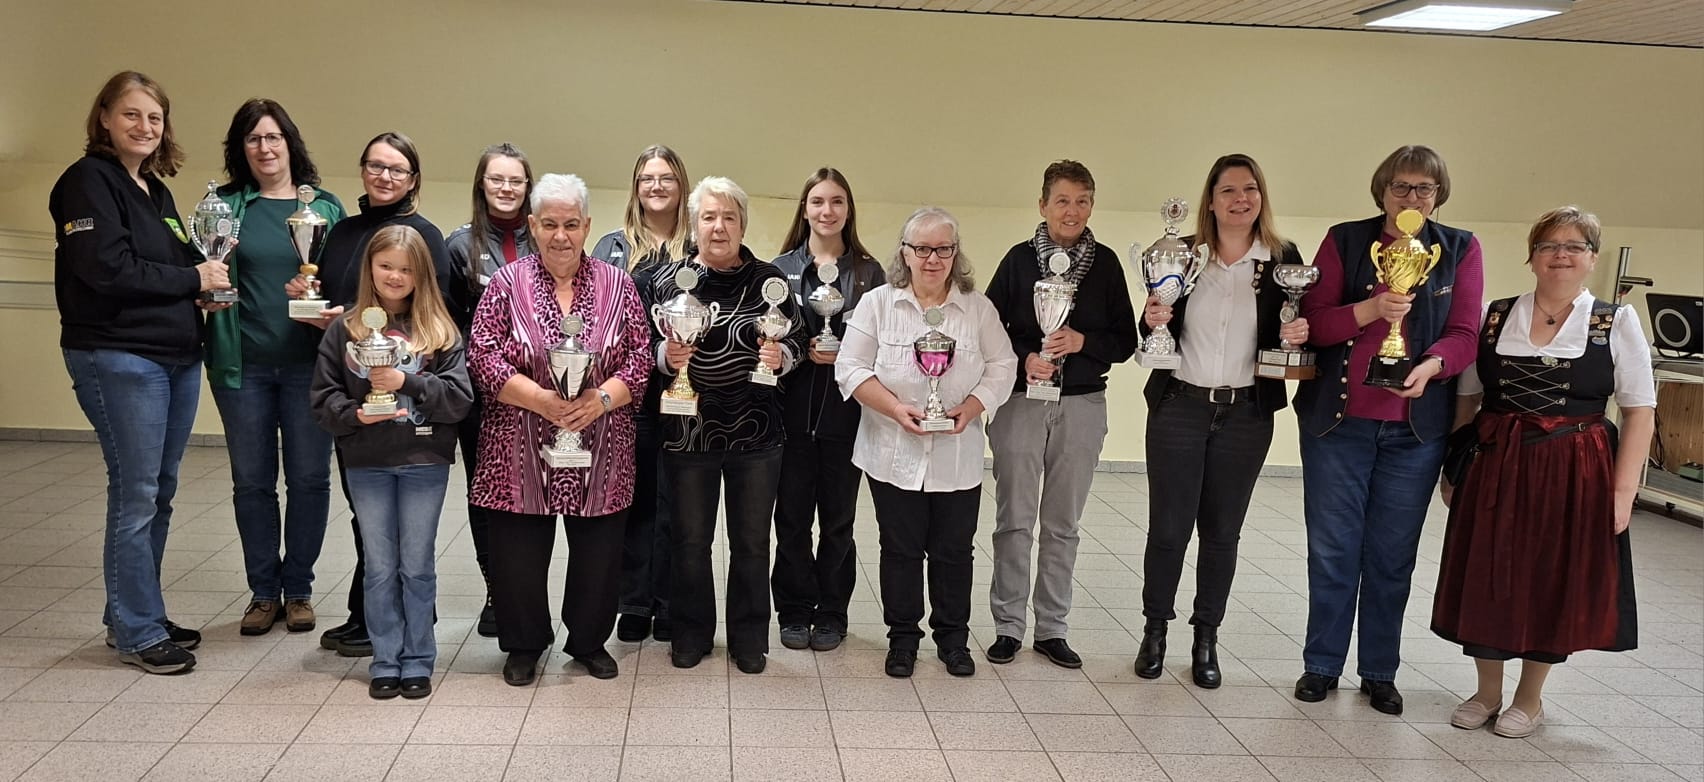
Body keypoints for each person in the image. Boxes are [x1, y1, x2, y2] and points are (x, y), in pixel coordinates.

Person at [1431, 206, 1654, 738]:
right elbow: (1468, 399)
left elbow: (1640, 411)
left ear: (1592, 258)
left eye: (1574, 246)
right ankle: (1487, 691)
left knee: (1551, 576)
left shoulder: (1615, 322)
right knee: (1489, 570)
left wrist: (1622, 493)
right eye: (1549, 245)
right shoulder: (1494, 315)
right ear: (1531, 257)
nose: (1560, 255)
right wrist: (1453, 467)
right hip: (1496, 460)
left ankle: (1529, 699)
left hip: (1575, 466)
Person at [1292, 145, 1484, 714]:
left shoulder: (1459, 248)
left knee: (1392, 557)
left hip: (1415, 434)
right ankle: (1321, 665)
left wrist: (1433, 366)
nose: (1412, 197)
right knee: (1332, 551)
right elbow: (1314, 323)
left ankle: (1379, 671)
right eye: (1401, 186)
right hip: (1338, 425)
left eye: (1424, 188)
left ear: (1438, 195)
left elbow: (1465, 333)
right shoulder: (1346, 240)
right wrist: (1372, 310)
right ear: (1382, 191)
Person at [51, 70, 230, 674]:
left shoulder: (155, 190)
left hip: (175, 357)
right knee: (137, 494)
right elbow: (105, 267)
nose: (144, 126)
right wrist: (190, 279)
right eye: (131, 114)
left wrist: (200, 288)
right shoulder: (86, 182)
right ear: (104, 117)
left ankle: (134, 612)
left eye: (155, 117)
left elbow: (176, 263)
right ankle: (137, 630)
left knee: (160, 491)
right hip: (119, 355)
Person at [468, 174, 652, 685]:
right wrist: (542, 401)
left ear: (587, 226)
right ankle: (524, 643)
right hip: (518, 442)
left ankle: (589, 641)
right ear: (532, 225)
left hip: (602, 439)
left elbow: (640, 357)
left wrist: (601, 399)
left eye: (571, 224)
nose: (561, 235)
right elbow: (482, 354)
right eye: (549, 224)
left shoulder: (618, 284)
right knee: (518, 552)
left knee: (599, 552)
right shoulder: (506, 284)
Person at [1134, 154, 1307, 687]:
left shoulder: (1282, 258)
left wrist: (1300, 334)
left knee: (1222, 532)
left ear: (1261, 197)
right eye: (1228, 190)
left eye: (1250, 189)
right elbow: (1151, 333)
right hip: (1179, 407)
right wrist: (1150, 317)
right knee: (1169, 529)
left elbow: (1297, 324)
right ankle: (1154, 631)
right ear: (1210, 200)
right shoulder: (1182, 255)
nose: (1240, 199)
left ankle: (1206, 637)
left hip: (1246, 414)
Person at [292, 131, 464, 658]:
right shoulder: (342, 231)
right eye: (375, 166)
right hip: (361, 426)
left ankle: (413, 639)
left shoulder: (426, 240)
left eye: (397, 168)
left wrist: (405, 381)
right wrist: (313, 306)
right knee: (374, 538)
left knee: (413, 557)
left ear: (414, 178)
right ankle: (380, 635)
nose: (384, 176)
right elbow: (333, 322)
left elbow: (446, 362)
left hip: (418, 444)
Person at [836, 207, 1017, 678]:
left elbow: (1004, 365)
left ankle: (953, 640)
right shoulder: (878, 304)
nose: (932, 258)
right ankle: (902, 639)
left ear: (956, 254)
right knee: (900, 549)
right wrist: (895, 409)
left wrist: (972, 407)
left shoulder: (977, 309)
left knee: (954, 551)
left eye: (943, 249)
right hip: (891, 453)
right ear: (905, 253)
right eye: (922, 248)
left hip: (957, 454)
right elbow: (850, 368)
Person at [638, 176, 806, 674]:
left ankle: (749, 639)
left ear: (743, 225)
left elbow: (798, 338)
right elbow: (641, 345)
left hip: (757, 434)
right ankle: (690, 634)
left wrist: (782, 356)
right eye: (709, 217)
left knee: (752, 543)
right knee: (690, 541)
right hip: (689, 433)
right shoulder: (667, 281)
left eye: (729, 217)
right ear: (693, 225)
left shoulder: (770, 280)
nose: (719, 227)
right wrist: (665, 357)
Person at [983, 160, 1138, 669]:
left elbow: (1126, 341)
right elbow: (988, 330)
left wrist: (1082, 341)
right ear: (1043, 205)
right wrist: (1025, 355)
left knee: (1063, 523)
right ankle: (1008, 626)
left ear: (1092, 205)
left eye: (1082, 201)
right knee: (1014, 520)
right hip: (1021, 403)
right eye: (1063, 201)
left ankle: (1051, 628)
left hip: (1082, 404)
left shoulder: (1106, 264)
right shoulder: (1018, 261)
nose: (1073, 211)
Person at [310, 225, 473, 700]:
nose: (395, 276)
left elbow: (458, 399)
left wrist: (407, 382)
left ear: (421, 274)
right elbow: (323, 398)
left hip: (423, 461)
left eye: (406, 269)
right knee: (379, 566)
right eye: (386, 266)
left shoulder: (440, 331)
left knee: (416, 565)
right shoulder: (346, 330)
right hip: (366, 462)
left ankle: (418, 658)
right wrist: (355, 415)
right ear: (370, 269)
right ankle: (385, 658)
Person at [207, 99, 345, 637]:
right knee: (252, 483)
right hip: (243, 368)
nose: (264, 148)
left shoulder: (324, 208)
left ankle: (300, 588)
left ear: (290, 142)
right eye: (253, 139)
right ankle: (264, 592)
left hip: (310, 368)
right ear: (240, 149)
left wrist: (322, 295)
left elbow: (343, 281)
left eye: (273, 137)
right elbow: (205, 272)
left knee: (309, 479)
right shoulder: (223, 207)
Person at [769, 168, 887, 653]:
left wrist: (848, 356)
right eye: (818, 201)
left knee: (839, 522)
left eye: (837, 201)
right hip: (791, 416)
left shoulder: (870, 273)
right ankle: (794, 611)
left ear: (848, 209)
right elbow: (769, 336)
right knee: (791, 521)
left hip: (846, 417)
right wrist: (802, 351)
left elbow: (884, 343)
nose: (827, 210)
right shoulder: (778, 270)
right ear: (805, 209)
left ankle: (832, 612)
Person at [591, 144, 691, 645]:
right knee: (632, 499)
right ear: (636, 187)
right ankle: (632, 602)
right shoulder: (611, 247)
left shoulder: (698, 246)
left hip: (688, 396)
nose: (656, 186)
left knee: (679, 502)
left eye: (666, 177)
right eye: (648, 178)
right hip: (627, 394)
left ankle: (670, 602)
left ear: (681, 186)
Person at [445, 142, 536, 638]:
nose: (506, 188)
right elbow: (447, 325)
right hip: (482, 398)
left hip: (540, 395)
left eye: (515, 180)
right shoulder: (459, 245)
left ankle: (529, 592)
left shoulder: (544, 238)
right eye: (496, 179)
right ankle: (497, 590)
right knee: (486, 494)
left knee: (536, 493)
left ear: (528, 186)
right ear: (482, 184)